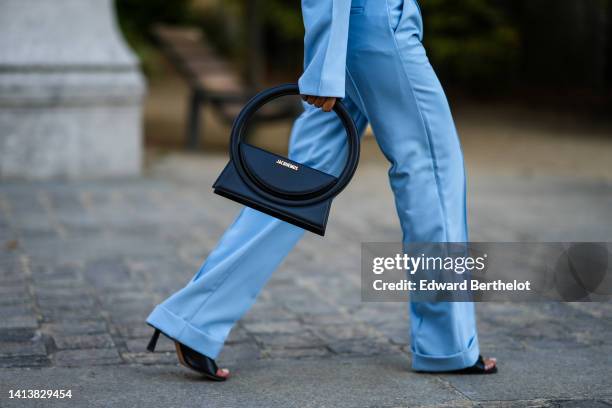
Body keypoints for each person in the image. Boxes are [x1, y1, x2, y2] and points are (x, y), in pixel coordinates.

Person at [145, 0, 497, 380]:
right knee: (432, 172)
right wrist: (324, 70)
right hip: (379, 29)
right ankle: (447, 344)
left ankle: (193, 319)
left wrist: (327, 60)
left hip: (354, 32)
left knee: (300, 184)